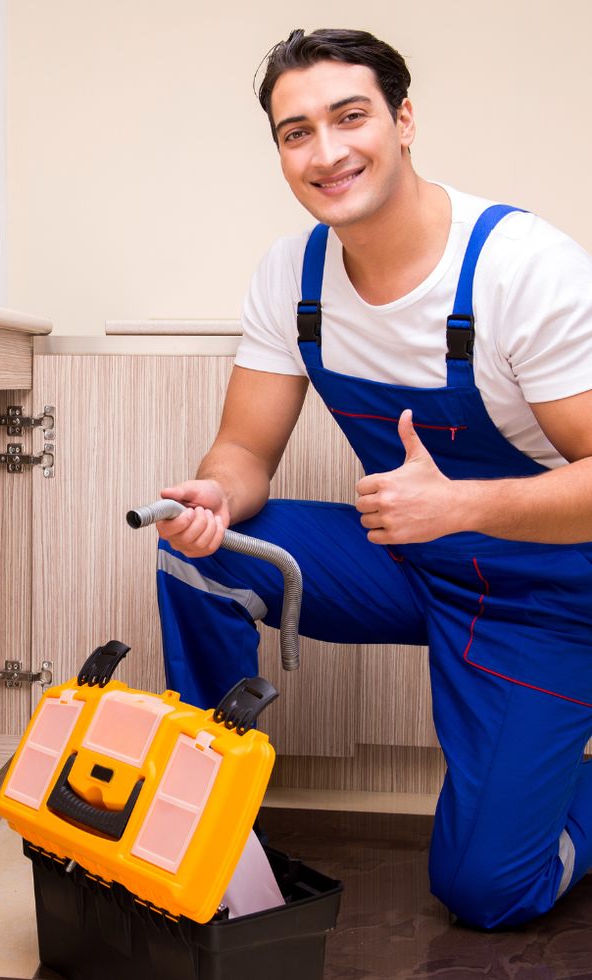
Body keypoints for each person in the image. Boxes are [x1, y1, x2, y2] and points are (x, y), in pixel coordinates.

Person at [154, 28, 592, 930]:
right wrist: (213, 495)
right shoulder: (294, 275)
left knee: (487, 893)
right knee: (202, 552)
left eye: (349, 117)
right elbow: (243, 452)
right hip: (409, 558)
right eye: (295, 131)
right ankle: (200, 826)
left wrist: (461, 504)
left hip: (549, 589)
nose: (326, 151)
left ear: (402, 121)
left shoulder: (524, 269)